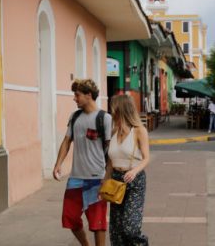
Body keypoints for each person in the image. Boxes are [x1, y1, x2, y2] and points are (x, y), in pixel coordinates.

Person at [53, 79, 113, 246]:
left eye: (77, 95)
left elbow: (111, 151)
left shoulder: (105, 118)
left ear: (88, 95)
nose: (74, 98)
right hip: (76, 178)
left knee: (97, 223)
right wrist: (58, 163)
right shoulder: (75, 117)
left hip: (97, 178)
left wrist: (108, 177)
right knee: (70, 218)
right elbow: (66, 141)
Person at [107, 94, 150, 246]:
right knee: (116, 230)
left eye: (113, 109)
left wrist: (134, 171)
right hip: (116, 181)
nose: (111, 112)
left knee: (130, 227)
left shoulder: (139, 130)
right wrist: (104, 183)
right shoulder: (113, 132)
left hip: (134, 181)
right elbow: (110, 162)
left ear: (121, 110)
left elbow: (146, 158)